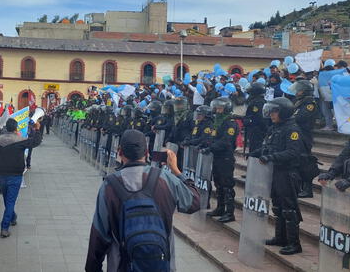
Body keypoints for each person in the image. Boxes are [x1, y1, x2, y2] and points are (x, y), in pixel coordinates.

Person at [85, 129, 200, 271]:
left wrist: (92, 268)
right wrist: (176, 171)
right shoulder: (165, 179)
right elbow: (194, 202)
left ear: (120, 152)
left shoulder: (109, 185)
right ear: (146, 153)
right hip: (162, 265)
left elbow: (99, 235)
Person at [250, 97, 305, 255]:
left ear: (284, 112)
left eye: (275, 112)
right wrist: (257, 153)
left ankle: (294, 243)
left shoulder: (292, 129)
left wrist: (271, 158)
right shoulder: (274, 128)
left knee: (289, 209)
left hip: (287, 173)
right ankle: (280, 237)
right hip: (274, 172)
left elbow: (293, 152)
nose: (272, 115)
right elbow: (267, 146)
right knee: (277, 206)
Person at [203, 97, 239, 223]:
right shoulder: (217, 121)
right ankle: (220, 207)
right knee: (218, 183)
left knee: (227, 185)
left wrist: (211, 147)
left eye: (220, 108)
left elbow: (226, 141)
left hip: (225, 157)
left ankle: (229, 212)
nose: (217, 110)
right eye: (216, 107)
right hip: (217, 156)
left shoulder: (230, 122)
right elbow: (212, 137)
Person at [0, 118, 30, 238]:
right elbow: (35, 142)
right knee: (10, 201)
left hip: (3, 173)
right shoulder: (20, 140)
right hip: (15, 174)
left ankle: (12, 216)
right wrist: (36, 129)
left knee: (7, 199)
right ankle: (4, 227)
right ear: (16, 128)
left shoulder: (0, 140)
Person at [289, 80, 319, 198]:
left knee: (305, 162)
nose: (297, 92)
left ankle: (308, 189)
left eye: (299, 89)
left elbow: (300, 117)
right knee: (296, 162)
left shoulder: (309, 103)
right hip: (296, 134)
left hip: (304, 136)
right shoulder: (298, 101)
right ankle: (298, 187)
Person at [243, 83, 267, 156]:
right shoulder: (256, 101)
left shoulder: (258, 102)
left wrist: (249, 121)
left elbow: (258, 118)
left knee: (255, 148)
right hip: (254, 129)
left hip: (257, 130)